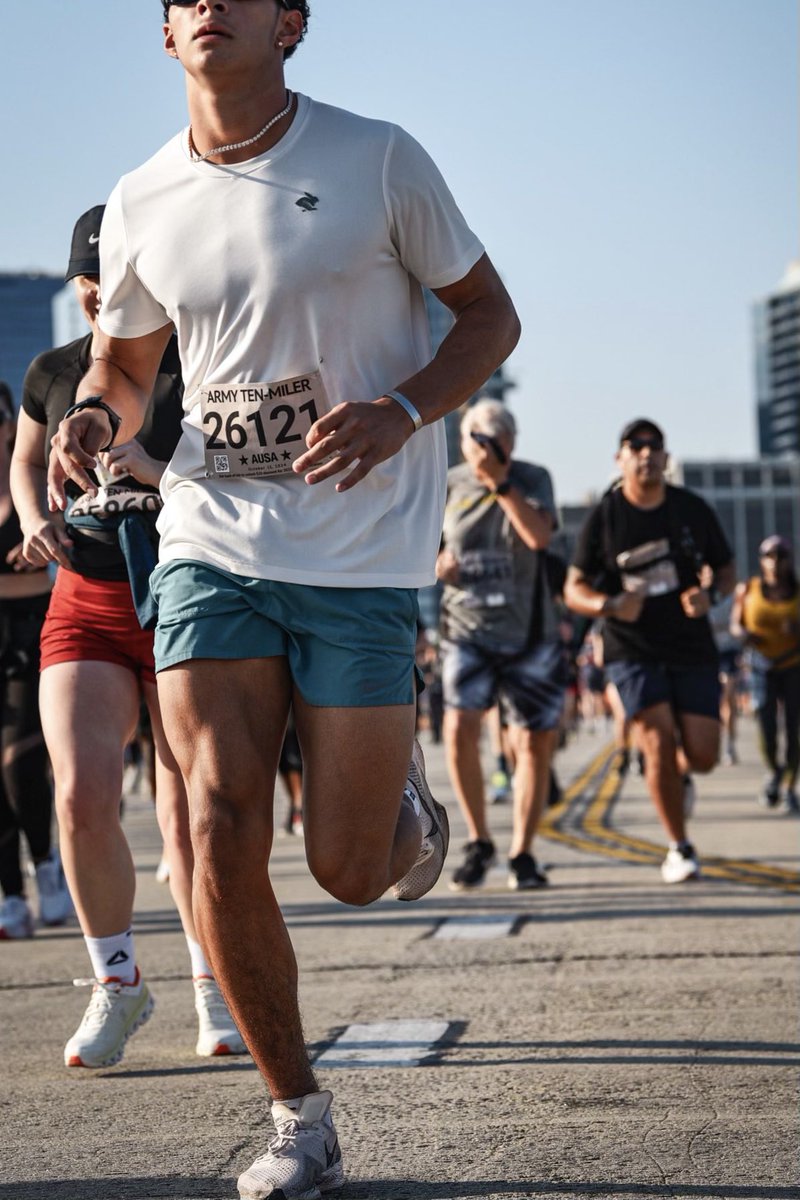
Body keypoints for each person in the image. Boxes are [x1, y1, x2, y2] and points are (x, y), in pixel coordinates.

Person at [47, 5, 520, 1198]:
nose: (209, 3)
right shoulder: (144, 191)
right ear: (166, 37)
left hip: (360, 553)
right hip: (211, 531)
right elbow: (125, 357)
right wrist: (98, 412)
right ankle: (295, 1116)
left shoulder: (378, 158)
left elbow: (489, 317)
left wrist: (402, 410)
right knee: (210, 822)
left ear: (290, 25)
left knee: (352, 870)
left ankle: (396, 797)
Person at [11, 206, 244, 1064]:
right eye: (90, 287)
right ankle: (117, 984)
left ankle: (211, 984)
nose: (102, 300)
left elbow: (243, 459)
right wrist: (35, 519)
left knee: (185, 812)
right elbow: (26, 462)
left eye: (119, 285)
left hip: (181, 596)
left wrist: (159, 468)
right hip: (85, 600)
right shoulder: (51, 371)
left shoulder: (198, 359)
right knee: (79, 796)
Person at [564, 418, 736, 883]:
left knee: (703, 754)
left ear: (664, 457)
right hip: (632, 647)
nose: (645, 454)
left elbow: (726, 569)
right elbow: (574, 588)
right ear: (620, 458)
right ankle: (680, 847)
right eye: (634, 446)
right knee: (656, 739)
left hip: (690, 644)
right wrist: (611, 604)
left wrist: (712, 598)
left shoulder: (691, 509)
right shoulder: (606, 517)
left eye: (653, 446)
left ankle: (678, 775)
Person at [436, 400, 563, 891]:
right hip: (468, 628)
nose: (485, 450)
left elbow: (539, 538)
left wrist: (501, 483)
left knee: (532, 741)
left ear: (512, 441)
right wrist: (438, 561)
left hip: (529, 631)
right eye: (477, 441)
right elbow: (425, 541)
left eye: (496, 440)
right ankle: (479, 839)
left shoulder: (533, 478)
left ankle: (523, 852)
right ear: (464, 442)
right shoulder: (449, 481)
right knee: (458, 727)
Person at [0, 383, 71, 940]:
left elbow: (73, 525)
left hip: (32, 624)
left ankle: (45, 860)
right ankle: (10, 894)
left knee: (20, 760)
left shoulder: (25, 479)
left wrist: (39, 540)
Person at [730, 535, 800, 811]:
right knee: (767, 726)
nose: (775, 562)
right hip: (761, 667)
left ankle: (789, 786)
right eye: (769, 556)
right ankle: (773, 771)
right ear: (761, 561)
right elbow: (735, 624)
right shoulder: (748, 589)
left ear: (789, 560)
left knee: (793, 728)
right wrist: (745, 635)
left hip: (793, 666)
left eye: (781, 556)